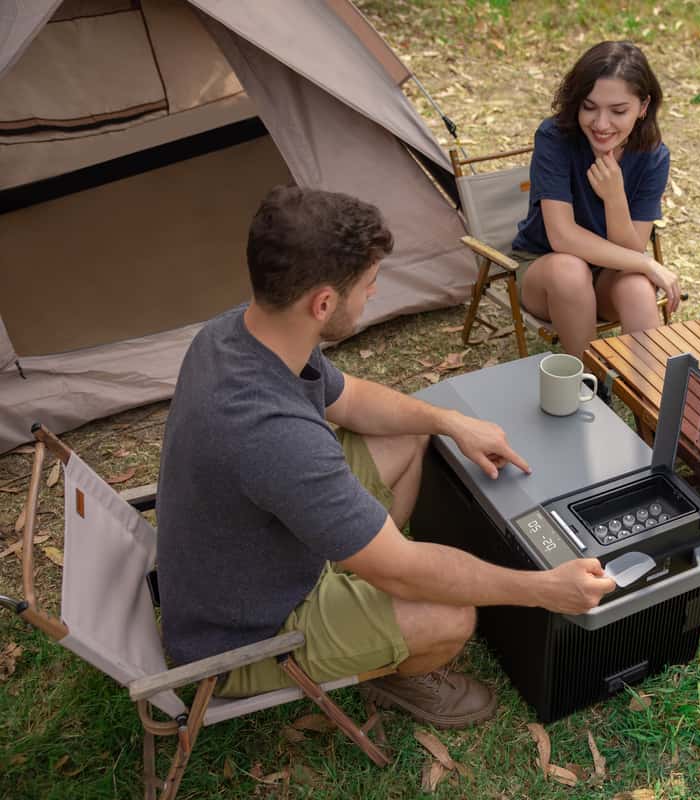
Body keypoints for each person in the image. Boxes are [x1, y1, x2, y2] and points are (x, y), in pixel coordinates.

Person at [156, 185, 616, 730]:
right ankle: (395, 670)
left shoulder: (237, 332)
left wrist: (449, 420)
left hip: (260, 549)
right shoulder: (271, 434)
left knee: (411, 431)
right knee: (449, 616)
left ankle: (360, 567)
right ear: (323, 302)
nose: (373, 295)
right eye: (369, 286)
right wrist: (543, 589)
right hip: (246, 634)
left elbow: (349, 399)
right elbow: (405, 572)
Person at [511, 40, 682, 358]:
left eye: (618, 111)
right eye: (589, 107)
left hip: (608, 274)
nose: (601, 124)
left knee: (636, 286)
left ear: (643, 107)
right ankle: (589, 386)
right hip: (545, 271)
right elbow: (562, 236)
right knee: (570, 270)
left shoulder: (652, 156)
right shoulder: (554, 138)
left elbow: (629, 251)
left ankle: (651, 397)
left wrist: (615, 197)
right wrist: (647, 262)